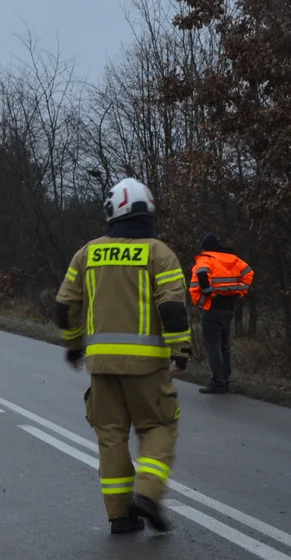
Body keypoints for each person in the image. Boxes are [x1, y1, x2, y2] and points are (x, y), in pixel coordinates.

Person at [54, 178, 192, 534]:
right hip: (147, 366)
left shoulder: (88, 253)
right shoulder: (159, 253)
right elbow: (173, 307)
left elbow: (65, 304)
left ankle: (120, 515)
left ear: (112, 211)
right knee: (159, 426)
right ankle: (146, 493)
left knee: (111, 435)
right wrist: (180, 350)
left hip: (101, 366)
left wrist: (73, 344)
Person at [189, 233, 253, 394]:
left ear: (205, 246)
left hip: (212, 307)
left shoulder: (206, 258)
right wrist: (241, 290)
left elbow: (202, 273)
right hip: (229, 308)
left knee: (213, 346)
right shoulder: (232, 258)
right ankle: (225, 379)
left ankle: (218, 382)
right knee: (225, 346)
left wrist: (208, 292)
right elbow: (249, 272)